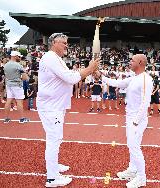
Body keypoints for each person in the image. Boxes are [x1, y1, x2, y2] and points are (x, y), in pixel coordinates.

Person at [36, 33, 100, 187]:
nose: (66, 45)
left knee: (56, 138)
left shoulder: (57, 59)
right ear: (53, 43)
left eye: (67, 42)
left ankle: (54, 166)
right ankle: (52, 178)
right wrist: (90, 69)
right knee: (54, 139)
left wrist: (89, 70)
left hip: (55, 106)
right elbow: (71, 79)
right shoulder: (51, 58)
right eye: (63, 42)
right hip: (51, 107)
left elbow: (71, 75)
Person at [98, 54, 153, 188]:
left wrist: (136, 121)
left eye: (132, 60)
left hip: (137, 120)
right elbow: (117, 83)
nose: (129, 62)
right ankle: (132, 170)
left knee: (134, 147)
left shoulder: (146, 79)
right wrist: (101, 77)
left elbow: (146, 102)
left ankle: (141, 178)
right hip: (130, 118)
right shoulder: (134, 78)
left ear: (140, 62)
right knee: (132, 146)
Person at [3, 51, 29, 123]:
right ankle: (22, 118)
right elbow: (25, 77)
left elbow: (6, 76)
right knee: (19, 101)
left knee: (8, 101)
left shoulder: (6, 65)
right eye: (19, 56)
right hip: (17, 85)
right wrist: (21, 78)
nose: (20, 58)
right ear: (15, 56)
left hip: (9, 84)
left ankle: (6, 118)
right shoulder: (18, 65)